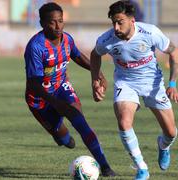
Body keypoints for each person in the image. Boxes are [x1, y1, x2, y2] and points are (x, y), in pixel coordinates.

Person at [90, 1, 178, 179]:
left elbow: (174, 51)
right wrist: (95, 79)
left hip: (152, 83)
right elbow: (95, 54)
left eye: (120, 22)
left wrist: (172, 84)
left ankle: (163, 146)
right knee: (124, 122)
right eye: (113, 23)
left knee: (170, 132)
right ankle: (142, 168)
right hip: (125, 83)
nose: (116, 27)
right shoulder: (107, 39)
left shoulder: (150, 32)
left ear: (132, 20)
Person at [24, 2, 115, 177]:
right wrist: (56, 104)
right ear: (43, 23)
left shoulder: (67, 39)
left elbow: (77, 56)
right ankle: (60, 136)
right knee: (65, 140)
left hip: (61, 87)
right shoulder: (36, 47)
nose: (58, 26)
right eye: (52, 22)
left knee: (79, 120)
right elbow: (34, 85)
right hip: (40, 100)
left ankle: (105, 166)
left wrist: (97, 73)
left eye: (60, 21)